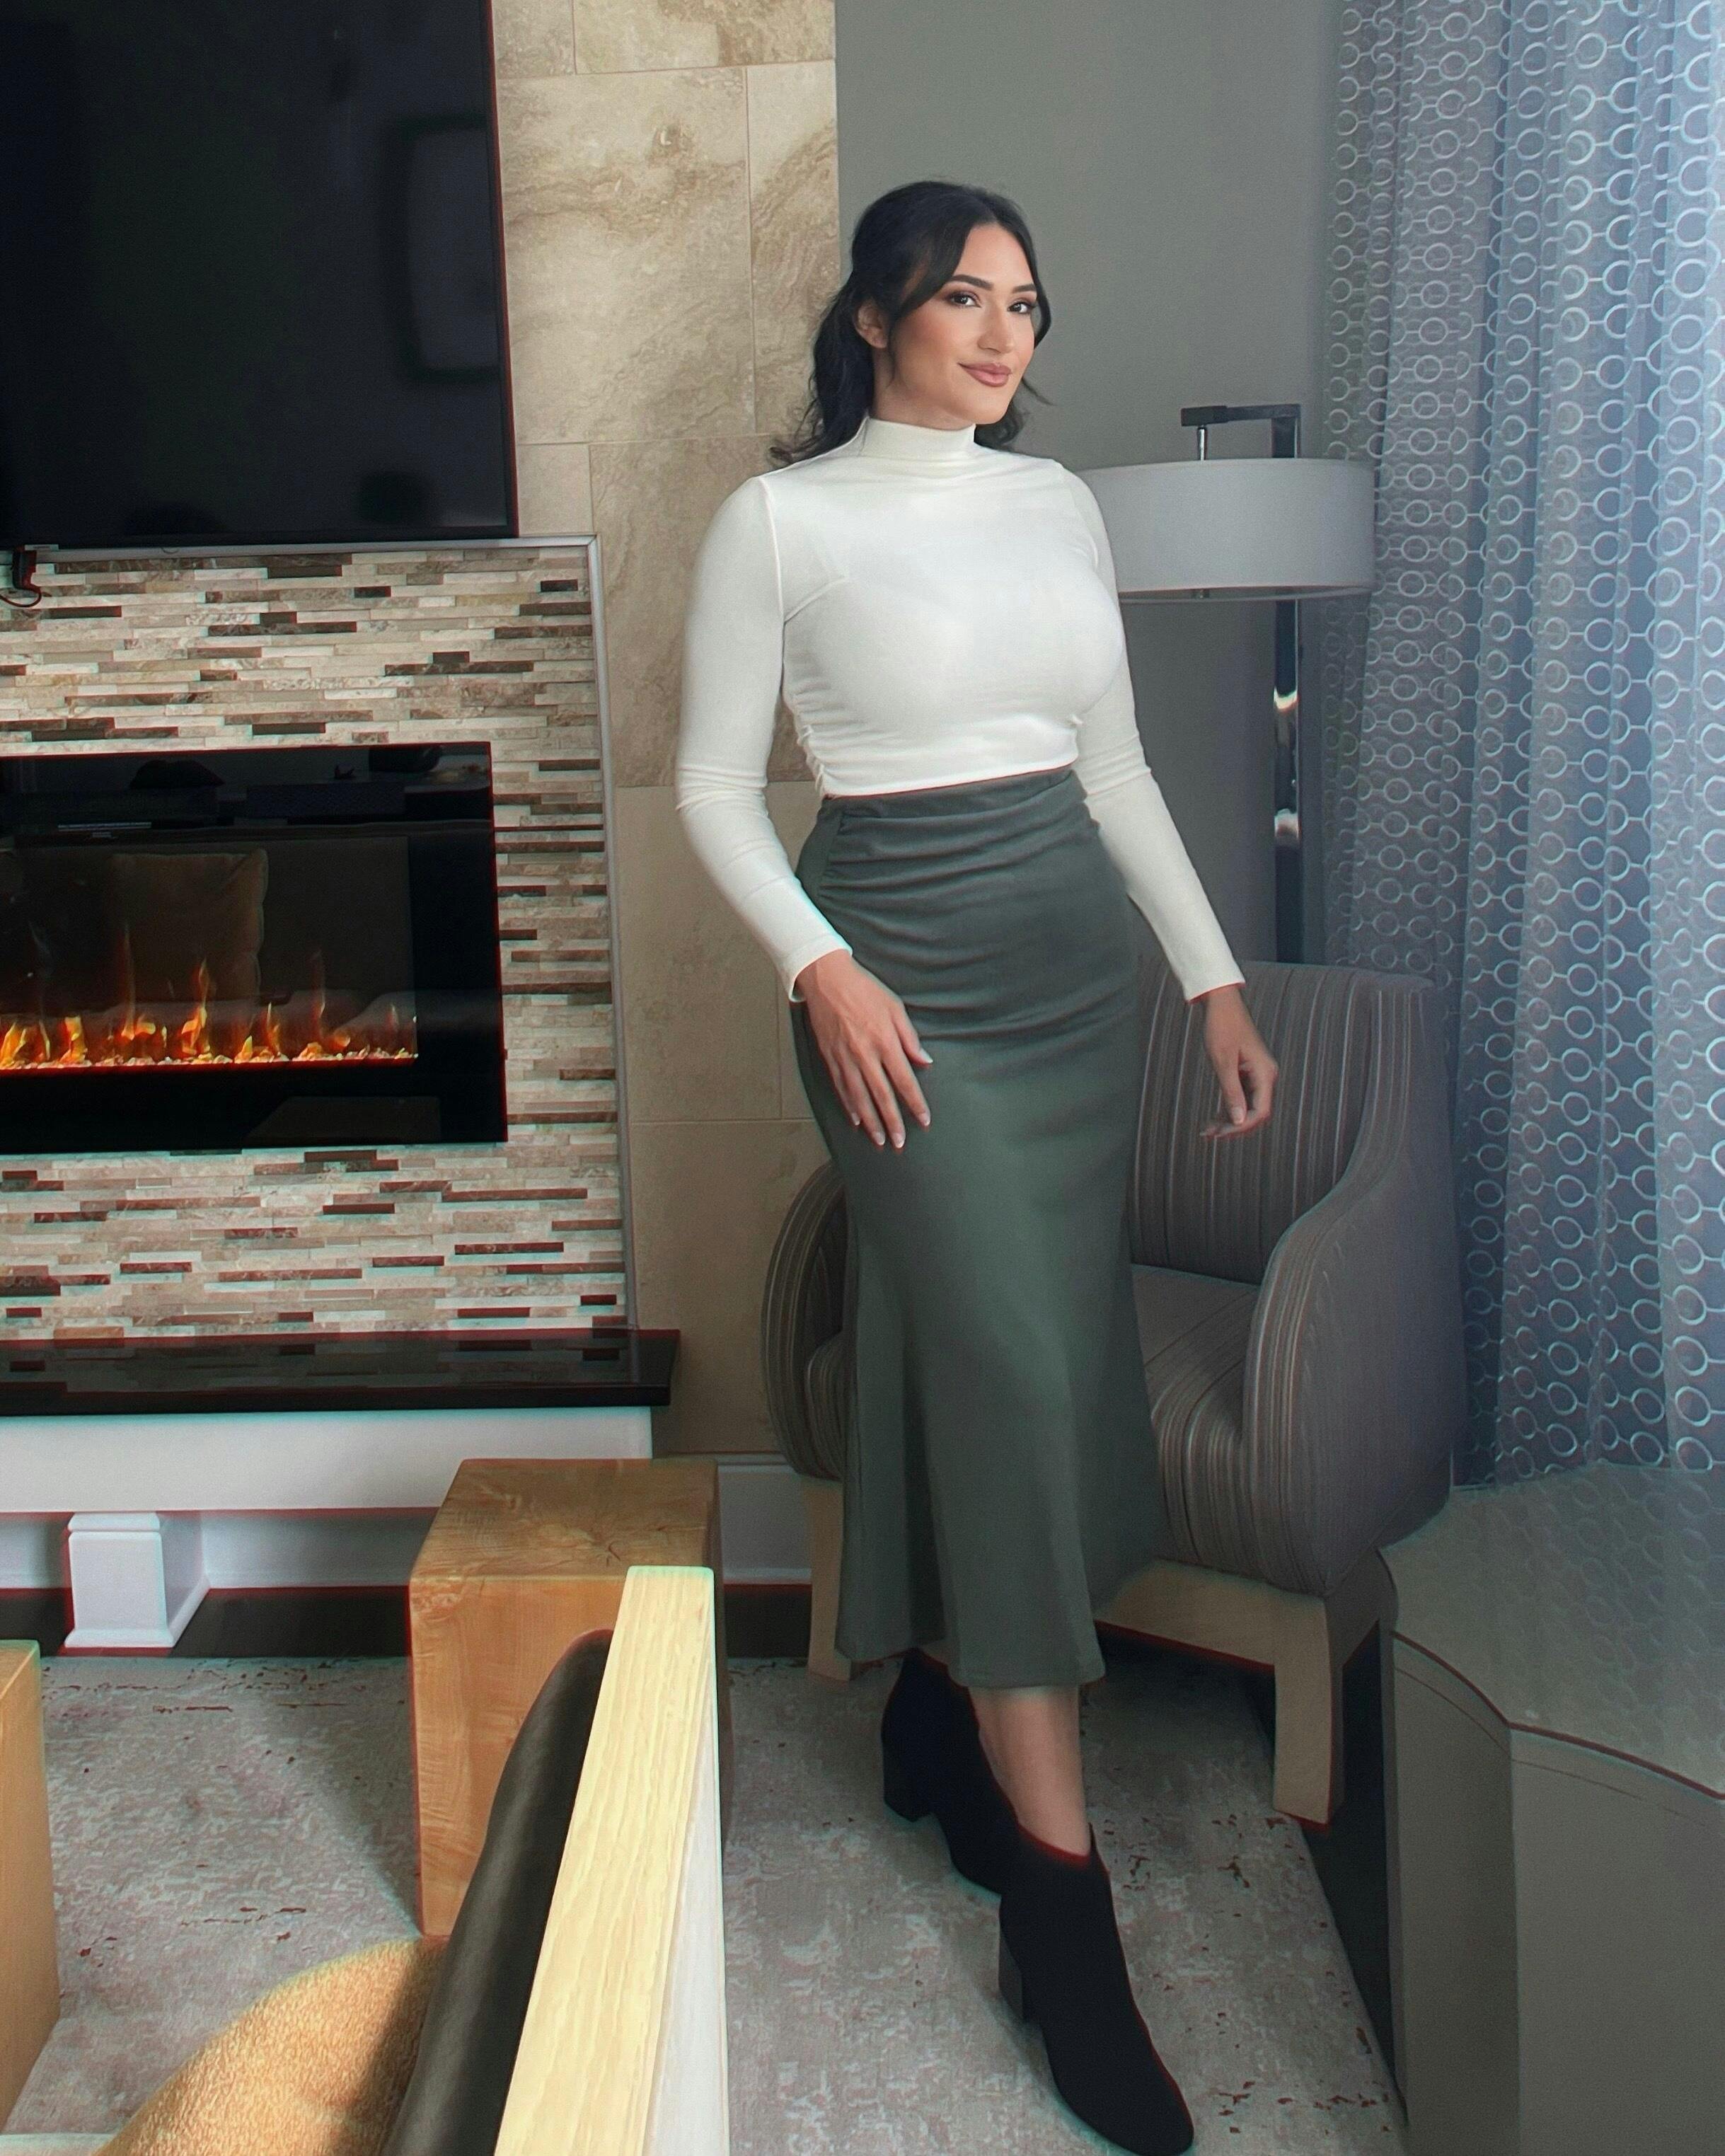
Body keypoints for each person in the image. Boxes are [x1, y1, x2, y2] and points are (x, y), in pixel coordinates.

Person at [676, 178, 1277, 2156]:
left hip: (1070, 984)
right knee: (1013, 1382)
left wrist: (1211, 979)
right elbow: (712, 786)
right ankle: (1063, 1918)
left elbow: (1113, 768)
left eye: (1028, 303)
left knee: (1005, 1362)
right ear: (876, 316)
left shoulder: (1059, 506)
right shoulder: (782, 522)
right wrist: (820, 965)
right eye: (964, 298)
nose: (1006, 334)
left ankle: (933, 1711)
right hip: (897, 987)